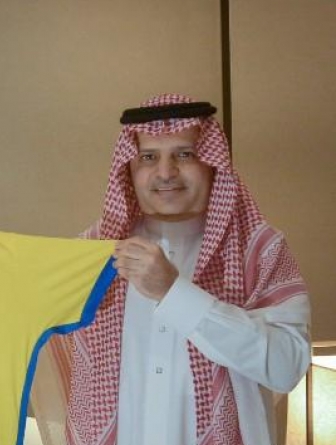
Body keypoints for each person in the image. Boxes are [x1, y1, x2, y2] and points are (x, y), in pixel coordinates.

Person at [31, 94, 310, 445]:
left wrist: (174, 293)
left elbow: (287, 367)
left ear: (211, 163)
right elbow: (12, 318)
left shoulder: (258, 250)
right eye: (148, 157)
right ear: (129, 170)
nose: (165, 172)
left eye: (185, 154)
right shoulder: (92, 253)